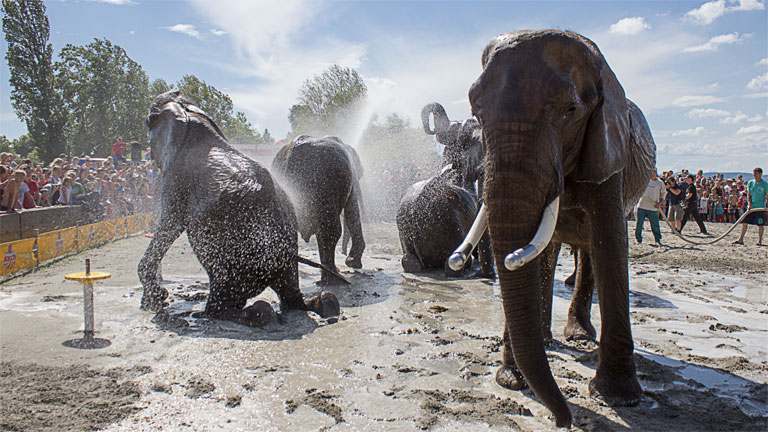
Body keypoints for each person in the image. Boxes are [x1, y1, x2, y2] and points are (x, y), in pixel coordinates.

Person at [734, 167, 767, 246]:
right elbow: (748, 195)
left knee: (760, 224)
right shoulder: (750, 183)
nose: (754, 175)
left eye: (756, 173)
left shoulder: (765, 184)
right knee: (744, 222)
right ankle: (741, 239)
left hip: (760, 207)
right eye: (753, 173)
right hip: (751, 207)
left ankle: (759, 241)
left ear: (760, 174)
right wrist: (749, 204)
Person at [635, 172, 665, 245]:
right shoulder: (644, 181)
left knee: (655, 224)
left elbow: (663, 194)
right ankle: (638, 239)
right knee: (639, 223)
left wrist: (659, 203)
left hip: (653, 207)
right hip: (642, 206)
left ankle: (657, 239)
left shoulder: (660, 183)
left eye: (654, 172)